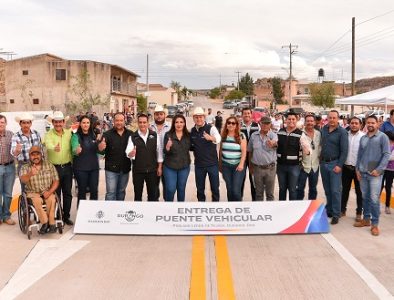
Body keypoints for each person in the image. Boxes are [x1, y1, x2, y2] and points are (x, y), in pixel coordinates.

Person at [354, 115, 390, 236]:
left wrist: (379, 169)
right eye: (368, 122)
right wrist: (357, 170)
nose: (370, 124)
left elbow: (386, 155)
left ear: (378, 124)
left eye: (373, 123)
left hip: (375, 173)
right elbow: (359, 155)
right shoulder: (363, 138)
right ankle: (366, 219)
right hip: (363, 172)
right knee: (365, 198)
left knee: (374, 200)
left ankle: (375, 224)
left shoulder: (382, 137)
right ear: (365, 124)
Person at [19, 146, 59, 234]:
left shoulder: (49, 165)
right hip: (32, 192)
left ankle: (52, 223)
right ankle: (45, 222)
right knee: (37, 201)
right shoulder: (25, 167)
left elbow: (56, 181)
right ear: (29, 156)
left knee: (52, 199)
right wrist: (30, 174)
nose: (35, 157)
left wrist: (49, 192)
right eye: (33, 155)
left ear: (41, 155)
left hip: (47, 191)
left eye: (37, 154)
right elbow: (23, 180)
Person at [43, 111, 74, 226]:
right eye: (55, 122)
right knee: (56, 193)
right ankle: (58, 215)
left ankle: (66, 216)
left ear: (63, 122)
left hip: (67, 167)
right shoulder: (48, 134)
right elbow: (47, 144)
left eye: (60, 122)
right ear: (53, 123)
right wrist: (53, 148)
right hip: (54, 169)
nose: (58, 124)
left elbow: (74, 145)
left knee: (67, 193)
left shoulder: (69, 133)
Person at [320, 110, 349, 225]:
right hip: (324, 163)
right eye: (330, 117)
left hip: (335, 164)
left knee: (335, 190)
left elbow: (344, 151)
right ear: (327, 118)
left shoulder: (342, 132)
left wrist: (339, 165)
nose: (332, 120)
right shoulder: (324, 129)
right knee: (327, 190)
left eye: (334, 118)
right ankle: (330, 210)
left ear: (338, 119)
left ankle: (336, 214)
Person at [126, 114, 163, 201]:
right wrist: (131, 153)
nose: (142, 124)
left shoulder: (154, 135)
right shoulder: (133, 136)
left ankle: (151, 213)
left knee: (152, 196)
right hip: (138, 171)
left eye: (144, 122)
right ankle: (139, 213)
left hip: (152, 170)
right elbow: (128, 152)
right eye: (140, 122)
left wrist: (160, 167)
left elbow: (159, 152)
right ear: (138, 123)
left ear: (148, 123)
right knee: (138, 195)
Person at [276, 112, 311, 201]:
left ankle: (292, 211)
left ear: (297, 120)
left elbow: (307, 148)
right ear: (286, 120)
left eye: (293, 119)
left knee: (292, 190)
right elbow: (275, 142)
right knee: (282, 189)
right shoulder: (280, 132)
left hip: (294, 166)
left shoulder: (300, 134)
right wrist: (272, 143)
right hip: (281, 166)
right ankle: (282, 209)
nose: (291, 121)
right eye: (289, 119)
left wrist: (306, 151)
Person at [190, 107, 221, 202]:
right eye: (196, 117)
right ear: (194, 118)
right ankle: (201, 206)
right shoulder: (192, 131)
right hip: (199, 165)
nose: (199, 119)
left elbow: (218, 138)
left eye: (200, 117)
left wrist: (211, 138)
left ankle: (215, 207)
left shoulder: (211, 128)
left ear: (204, 117)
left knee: (215, 189)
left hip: (212, 164)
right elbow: (191, 146)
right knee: (200, 190)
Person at [98, 112, 132, 201]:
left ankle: (118, 213)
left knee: (121, 192)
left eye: (121, 120)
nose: (119, 122)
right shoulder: (107, 134)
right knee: (111, 193)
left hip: (125, 169)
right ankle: (109, 213)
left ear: (124, 121)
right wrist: (100, 148)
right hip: (111, 170)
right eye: (117, 120)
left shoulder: (130, 134)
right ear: (113, 121)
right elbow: (101, 152)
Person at [71, 115, 99, 207]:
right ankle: (81, 214)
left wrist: (102, 149)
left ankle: (93, 214)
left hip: (94, 168)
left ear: (90, 124)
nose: (86, 124)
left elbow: (99, 151)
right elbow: (74, 148)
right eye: (83, 123)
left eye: (87, 123)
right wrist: (76, 150)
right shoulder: (75, 136)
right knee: (82, 191)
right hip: (80, 168)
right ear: (80, 124)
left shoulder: (94, 135)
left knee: (94, 191)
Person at [248, 117, 278, 201]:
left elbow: (275, 142)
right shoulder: (253, 135)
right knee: (258, 194)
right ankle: (259, 212)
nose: (265, 125)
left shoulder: (273, 135)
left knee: (270, 194)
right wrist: (250, 166)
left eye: (267, 123)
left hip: (270, 169)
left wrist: (273, 143)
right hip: (257, 169)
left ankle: (270, 213)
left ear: (270, 125)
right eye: (263, 123)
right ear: (260, 124)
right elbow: (250, 151)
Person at [11, 112, 42, 191]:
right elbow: (13, 152)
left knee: (38, 187)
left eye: (28, 123)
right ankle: (25, 203)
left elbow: (41, 149)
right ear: (20, 124)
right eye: (24, 123)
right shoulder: (16, 136)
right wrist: (17, 150)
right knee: (25, 189)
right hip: (23, 166)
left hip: (36, 164)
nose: (26, 125)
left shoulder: (36, 134)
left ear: (31, 124)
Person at [163, 115, 191, 202]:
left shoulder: (188, 135)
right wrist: (167, 147)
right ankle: (168, 208)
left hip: (184, 167)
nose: (179, 124)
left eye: (181, 122)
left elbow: (194, 147)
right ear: (173, 124)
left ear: (184, 124)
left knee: (181, 189)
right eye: (176, 122)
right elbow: (165, 151)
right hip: (170, 167)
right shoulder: (168, 135)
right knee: (170, 189)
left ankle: (179, 209)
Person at [341, 117, 364, 221]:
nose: (354, 125)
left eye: (356, 123)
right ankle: (342, 210)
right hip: (346, 168)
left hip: (358, 170)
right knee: (344, 190)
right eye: (352, 123)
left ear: (360, 125)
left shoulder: (364, 137)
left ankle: (359, 212)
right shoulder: (345, 135)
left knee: (359, 192)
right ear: (349, 124)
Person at [219, 116, 247, 201]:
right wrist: (220, 165)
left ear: (236, 125)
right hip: (226, 166)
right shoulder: (222, 136)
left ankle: (238, 208)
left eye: (233, 123)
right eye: (229, 123)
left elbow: (244, 151)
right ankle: (231, 208)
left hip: (238, 166)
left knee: (236, 191)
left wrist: (241, 164)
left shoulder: (241, 136)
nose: (230, 125)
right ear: (226, 124)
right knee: (230, 189)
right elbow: (220, 151)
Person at [296, 114, 321, 200]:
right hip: (302, 167)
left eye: (311, 121)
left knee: (313, 190)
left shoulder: (319, 134)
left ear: (314, 122)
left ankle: (312, 210)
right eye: (308, 121)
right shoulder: (300, 133)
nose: (310, 123)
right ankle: (299, 209)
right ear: (305, 122)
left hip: (315, 166)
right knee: (299, 189)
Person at [150, 105, 170, 201]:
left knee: (167, 186)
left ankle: (166, 207)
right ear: (154, 115)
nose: (159, 116)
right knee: (154, 187)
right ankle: (154, 207)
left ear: (164, 115)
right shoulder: (149, 127)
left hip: (168, 161)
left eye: (161, 114)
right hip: (153, 161)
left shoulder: (170, 126)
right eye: (157, 114)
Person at [240, 107, 260, 200]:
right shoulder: (238, 126)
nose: (247, 115)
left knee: (254, 181)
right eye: (245, 113)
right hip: (241, 157)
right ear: (242, 115)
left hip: (254, 157)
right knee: (240, 180)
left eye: (248, 113)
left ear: (251, 114)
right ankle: (238, 201)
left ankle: (255, 202)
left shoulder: (257, 126)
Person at [0, 115, 16, 225]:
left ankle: (6, 215)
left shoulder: (11, 135)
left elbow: (15, 150)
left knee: (8, 193)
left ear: (6, 123)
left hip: (10, 167)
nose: (0, 124)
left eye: (2, 122)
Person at [381, 131, 394, 214]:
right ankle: (376, 205)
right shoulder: (383, 145)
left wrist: (383, 157)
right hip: (382, 168)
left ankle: (387, 206)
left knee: (388, 187)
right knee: (379, 186)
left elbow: (391, 157)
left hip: (390, 169)